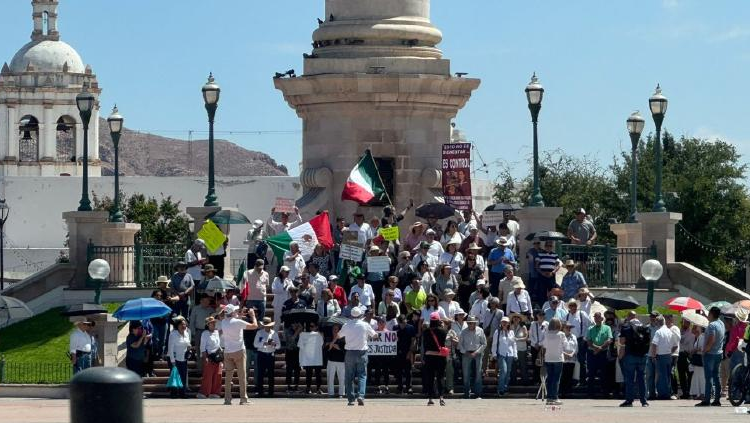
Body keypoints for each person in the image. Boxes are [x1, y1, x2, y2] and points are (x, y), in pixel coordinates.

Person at [337, 307, 378, 406]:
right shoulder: (365, 325)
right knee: (362, 375)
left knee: (349, 377)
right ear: (361, 315)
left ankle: (351, 399)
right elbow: (375, 335)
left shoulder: (346, 325)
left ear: (351, 315)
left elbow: (338, 336)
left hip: (350, 352)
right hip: (362, 352)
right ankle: (361, 395)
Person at [220, 304, 258, 405]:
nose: (237, 312)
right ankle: (243, 399)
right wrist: (253, 315)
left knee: (228, 377)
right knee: (242, 376)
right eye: (235, 311)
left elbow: (230, 318)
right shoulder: (237, 322)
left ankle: (227, 399)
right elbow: (255, 326)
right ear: (232, 312)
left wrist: (240, 313)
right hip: (239, 351)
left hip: (228, 352)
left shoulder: (224, 322)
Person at [619, 315, 651, 407]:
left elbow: (622, 341)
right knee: (642, 379)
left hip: (630, 356)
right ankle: (644, 401)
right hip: (643, 356)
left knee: (630, 379)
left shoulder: (626, 328)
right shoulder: (645, 328)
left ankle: (629, 401)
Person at [696, 306, 725, 407]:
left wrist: (705, 350)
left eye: (709, 314)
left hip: (710, 354)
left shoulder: (712, 326)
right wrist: (705, 316)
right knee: (716, 377)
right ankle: (717, 399)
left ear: (712, 314)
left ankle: (707, 400)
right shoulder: (721, 323)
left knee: (708, 378)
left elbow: (711, 339)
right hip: (719, 353)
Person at [423, 312, 448, 406]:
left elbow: (424, 346)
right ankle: (441, 398)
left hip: (429, 356)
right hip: (440, 357)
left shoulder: (426, 332)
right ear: (438, 320)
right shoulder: (443, 331)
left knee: (430, 377)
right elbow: (443, 343)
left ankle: (430, 398)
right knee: (440, 377)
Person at [459, 315, 486, 398]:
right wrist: (465, 352)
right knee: (466, 374)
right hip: (466, 354)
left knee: (478, 374)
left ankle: (478, 394)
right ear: (467, 323)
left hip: (477, 354)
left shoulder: (480, 331)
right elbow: (460, 344)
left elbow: (484, 344)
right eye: (469, 323)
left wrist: (477, 352)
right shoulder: (463, 332)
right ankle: (467, 393)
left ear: (475, 323)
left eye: (472, 323)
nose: (471, 324)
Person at [587, 311, 613, 397]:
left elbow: (609, 340)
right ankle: (591, 392)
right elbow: (589, 340)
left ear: (602, 318)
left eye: (598, 317)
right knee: (591, 373)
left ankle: (604, 392)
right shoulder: (590, 328)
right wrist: (596, 348)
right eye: (595, 317)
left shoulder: (607, 328)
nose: (596, 318)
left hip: (603, 352)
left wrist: (600, 348)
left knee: (604, 373)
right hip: (592, 353)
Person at [252, 316, 280, 397]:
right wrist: (263, 344)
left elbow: (278, 346)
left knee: (271, 374)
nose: (267, 327)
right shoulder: (259, 333)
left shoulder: (274, 333)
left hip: (270, 354)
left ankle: (271, 392)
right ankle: (260, 392)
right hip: (262, 354)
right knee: (260, 373)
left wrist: (274, 344)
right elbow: (255, 344)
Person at [541, 318, 566, 406]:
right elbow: (565, 346)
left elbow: (544, 346)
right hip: (558, 358)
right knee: (556, 379)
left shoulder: (547, 334)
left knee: (550, 378)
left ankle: (549, 398)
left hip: (548, 358)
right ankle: (555, 397)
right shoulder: (561, 334)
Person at [198, 316, 223, 399]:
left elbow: (218, 344)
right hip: (209, 356)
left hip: (218, 356)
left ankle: (215, 393)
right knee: (208, 376)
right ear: (208, 324)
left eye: (214, 322)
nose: (214, 324)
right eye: (212, 323)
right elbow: (202, 347)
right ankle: (204, 393)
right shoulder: (205, 333)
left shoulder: (217, 332)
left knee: (218, 375)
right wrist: (205, 358)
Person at [167, 316, 191, 399]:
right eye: (182, 324)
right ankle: (173, 393)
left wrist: (189, 347)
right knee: (175, 376)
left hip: (183, 358)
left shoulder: (187, 333)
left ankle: (182, 393)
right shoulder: (173, 334)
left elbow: (188, 343)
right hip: (174, 358)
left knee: (183, 376)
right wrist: (172, 361)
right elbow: (170, 348)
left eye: (185, 324)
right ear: (177, 325)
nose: (184, 326)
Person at [492, 316, 516, 396]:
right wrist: (494, 354)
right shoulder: (497, 332)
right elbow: (494, 344)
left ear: (508, 323)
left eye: (506, 322)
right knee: (504, 371)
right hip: (501, 354)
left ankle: (505, 388)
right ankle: (500, 389)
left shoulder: (511, 332)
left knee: (508, 372)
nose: (504, 323)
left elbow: (514, 344)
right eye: (503, 322)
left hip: (510, 354)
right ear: (501, 323)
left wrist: (515, 354)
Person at [300, 321, 325, 395]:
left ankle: (318, 388)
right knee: (308, 373)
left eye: (312, 326)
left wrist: (321, 337)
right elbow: (302, 345)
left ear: (317, 327)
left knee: (318, 374)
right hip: (309, 357)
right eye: (310, 326)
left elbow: (322, 345)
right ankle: (308, 388)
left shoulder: (320, 334)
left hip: (317, 357)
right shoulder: (305, 335)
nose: (311, 328)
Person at [395, 314, 417, 394]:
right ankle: (399, 387)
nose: (403, 325)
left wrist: (410, 352)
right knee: (398, 371)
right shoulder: (395, 328)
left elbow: (413, 340)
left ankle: (409, 387)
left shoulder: (410, 328)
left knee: (408, 371)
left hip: (407, 351)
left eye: (404, 323)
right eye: (401, 323)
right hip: (398, 352)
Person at [533, 241, 560, 306]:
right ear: (545, 246)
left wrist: (553, 272)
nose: (548, 247)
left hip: (551, 275)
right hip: (542, 275)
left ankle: (553, 305)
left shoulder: (555, 255)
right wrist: (542, 273)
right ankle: (542, 307)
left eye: (550, 246)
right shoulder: (539, 254)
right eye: (547, 246)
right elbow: (536, 266)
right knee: (542, 292)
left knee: (553, 292)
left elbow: (558, 265)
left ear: (552, 247)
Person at [326, 323, 347, 398]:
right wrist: (330, 345)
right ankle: (330, 393)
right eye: (333, 329)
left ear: (339, 330)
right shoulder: (329, 338)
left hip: (341, 361)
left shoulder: (343, 339)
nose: (334, 331)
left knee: (341, 378)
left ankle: (341, 393)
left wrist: (336, 346)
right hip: (331, 360)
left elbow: (344, 350)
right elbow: (326, 349)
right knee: (330, 378)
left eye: (336, 329)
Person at [677, 317, 697, 399]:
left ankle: (689, 392)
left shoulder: (691, 333)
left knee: (689, 375)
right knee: (681, 375)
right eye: (684, 322)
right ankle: (684, 392)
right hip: (680, 354)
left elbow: (684, 342)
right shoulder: (680, 331)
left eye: (687, 322)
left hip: (687, 354)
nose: (685, 323)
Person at [271, 266, 293, 331]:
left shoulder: (289, 280)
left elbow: (292, 289)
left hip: (287, 303)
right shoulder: (276, 280)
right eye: (286, 272)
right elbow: (274, 290)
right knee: (277, 320)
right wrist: (283, 289)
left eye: (288, 272)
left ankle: (285, 336)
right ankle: (274, 335)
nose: (287, 273)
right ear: (282, 272)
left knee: (286, 320)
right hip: (278, 303)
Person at [560, 322, 579, 397]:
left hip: (572, 359)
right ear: (563, 328)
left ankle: (568, 392)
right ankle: (562, 392)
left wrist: (571, 354)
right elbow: (559, 347)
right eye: (567, 327)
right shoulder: (560, 336)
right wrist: (565, 354)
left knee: (569, 376)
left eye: (569, 327)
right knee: (563, 376)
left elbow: (576, 347)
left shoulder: (573, 336)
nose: (568, 329)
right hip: (563, 359)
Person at [510, 313, 529, 385]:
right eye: (514, 317)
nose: (515, 318)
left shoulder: (523, 327)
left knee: (523, 365)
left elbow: (526, 338)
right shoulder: (510, 326)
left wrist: (517, 339)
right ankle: (513, 381)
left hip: (522, 349)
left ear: (520, 319)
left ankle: (525, 381)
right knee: (513, 366)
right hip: (512, 349)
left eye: (517, 317)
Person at [529, 309, 547, 384]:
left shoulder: (547, 324)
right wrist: (535, 343)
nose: (541, 317)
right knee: (535, 363)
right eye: (540, 315)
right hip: (534, 346)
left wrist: (539, 344)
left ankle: (542, 379)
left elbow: (546, 336)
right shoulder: (533, 323)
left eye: (542, 315)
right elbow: (531, 335)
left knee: (542, 363)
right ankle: (535, 379)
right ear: (537, 316)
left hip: (542, 346)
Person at [284, 322, 302, 393]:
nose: (295, 324)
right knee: (289, 369)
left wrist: (300, 331)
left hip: (297, 352)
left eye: (297, 323)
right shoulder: (288, 330)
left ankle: (296, 386)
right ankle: (288, 386)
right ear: (291, 324)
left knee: (297, 369)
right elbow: (291, 339)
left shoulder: (300, 331)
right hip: (290, 351)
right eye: (294, 323)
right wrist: (297, 331)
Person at [689, 324, 706, 400]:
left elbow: (699, 348)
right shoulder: (703, 337)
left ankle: (700, 393)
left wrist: (694, 350)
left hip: (699, 359)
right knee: (700, 377)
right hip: (702, 360)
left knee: (699, 378)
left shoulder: (701, 337)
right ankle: (700, 393)